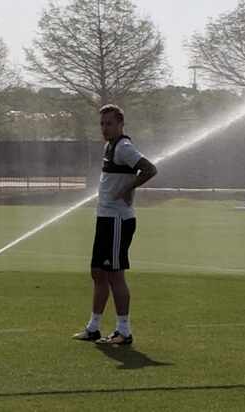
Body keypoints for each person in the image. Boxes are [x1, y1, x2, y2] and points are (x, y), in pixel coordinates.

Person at [72, 104, 157, 345]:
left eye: (109, 123)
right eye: (102, 123)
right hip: (105, 218)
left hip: (119, 220)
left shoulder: (124, 147)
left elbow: (150, 169)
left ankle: (124, 331)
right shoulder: (109, 146)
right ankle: (94, 327)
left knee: (115, 275)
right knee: (98, 272)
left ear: (120, 124)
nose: (104, 128)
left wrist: (127, 189)